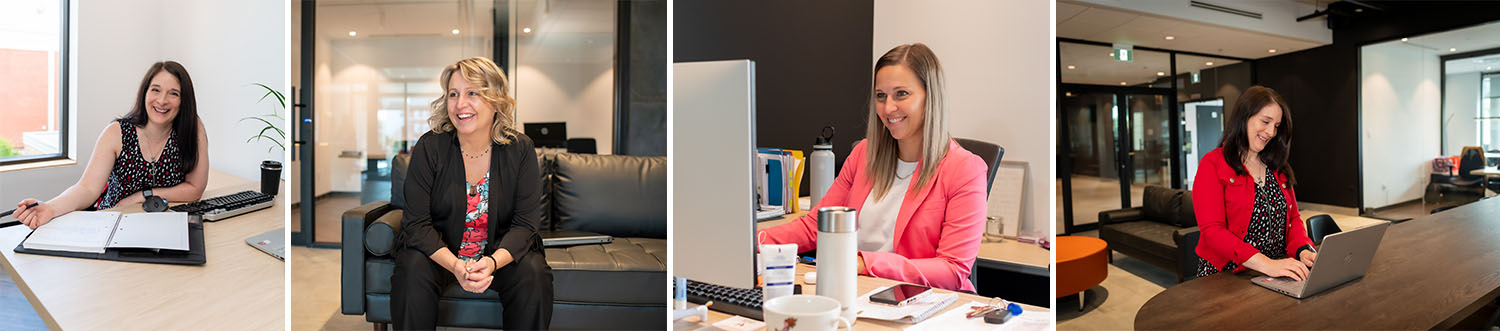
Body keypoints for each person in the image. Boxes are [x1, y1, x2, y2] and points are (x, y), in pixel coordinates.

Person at [758, 43, 989, 292]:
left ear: (930, 98)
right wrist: (751, 243)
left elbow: (953, 270)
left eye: (901, 94)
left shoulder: (965, 169)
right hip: (857, 292)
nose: (888, 108)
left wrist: (864, 263)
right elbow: (817, 225)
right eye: (881, 96)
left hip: (920, 303)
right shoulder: (864, 154)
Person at [390, 57, 553, 330]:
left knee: (533, 273)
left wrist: (490, 262)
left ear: (495, 100)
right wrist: (456, 265)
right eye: (453, 94)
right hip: (441, 253)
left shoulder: (520, 148)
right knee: (411, 268)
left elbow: (525, 225)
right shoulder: (430, 147)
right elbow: (416, 224)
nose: (460, 104)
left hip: (496, 253)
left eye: (472, 93)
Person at [12, 61, 209, 228]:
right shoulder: (117, 132)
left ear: (184, 101)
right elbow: (87, 188)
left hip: (165, 223)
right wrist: (51, 207)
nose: (162, 100)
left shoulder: (193, 128)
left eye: (173, 93)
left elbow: (195, 189)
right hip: (112, 221)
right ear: (145, 93)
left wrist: (141, 196)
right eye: (155, 90)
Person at [1193, 85, 1318, 280]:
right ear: (1244, 117)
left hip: (1275, 273)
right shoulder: (1212, 164)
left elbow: (1293, 219)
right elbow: (1213, 231)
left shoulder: (1277, 167)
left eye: (1276, 126)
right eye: (1266, 121)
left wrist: (1303, 249)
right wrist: (1267, 264)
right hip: (1226, 277)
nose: (1271, 132)